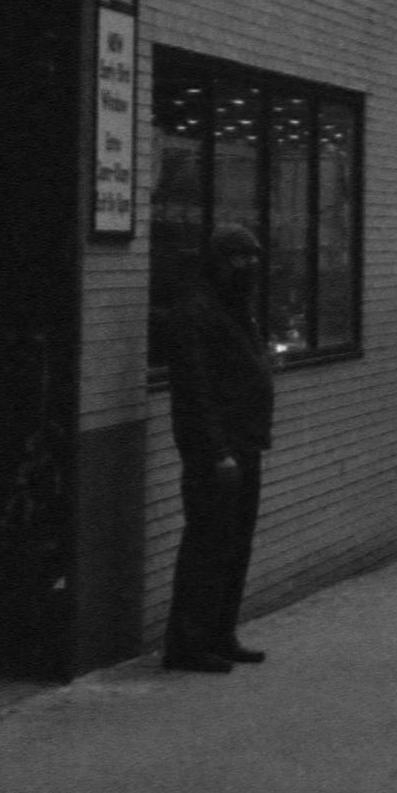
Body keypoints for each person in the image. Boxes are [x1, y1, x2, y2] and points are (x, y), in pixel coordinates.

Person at [162, 224, 275, 671]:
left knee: (235, 544)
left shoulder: (235, 307)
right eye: (239, 257)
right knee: (208, 544)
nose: (249, 265)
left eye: (253, 256)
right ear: (218, 261)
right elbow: (195, 390)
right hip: (218, 451)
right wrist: (216, 452)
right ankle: (188, 643)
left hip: (243, 443)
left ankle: (219, 632)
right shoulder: (197, 311)